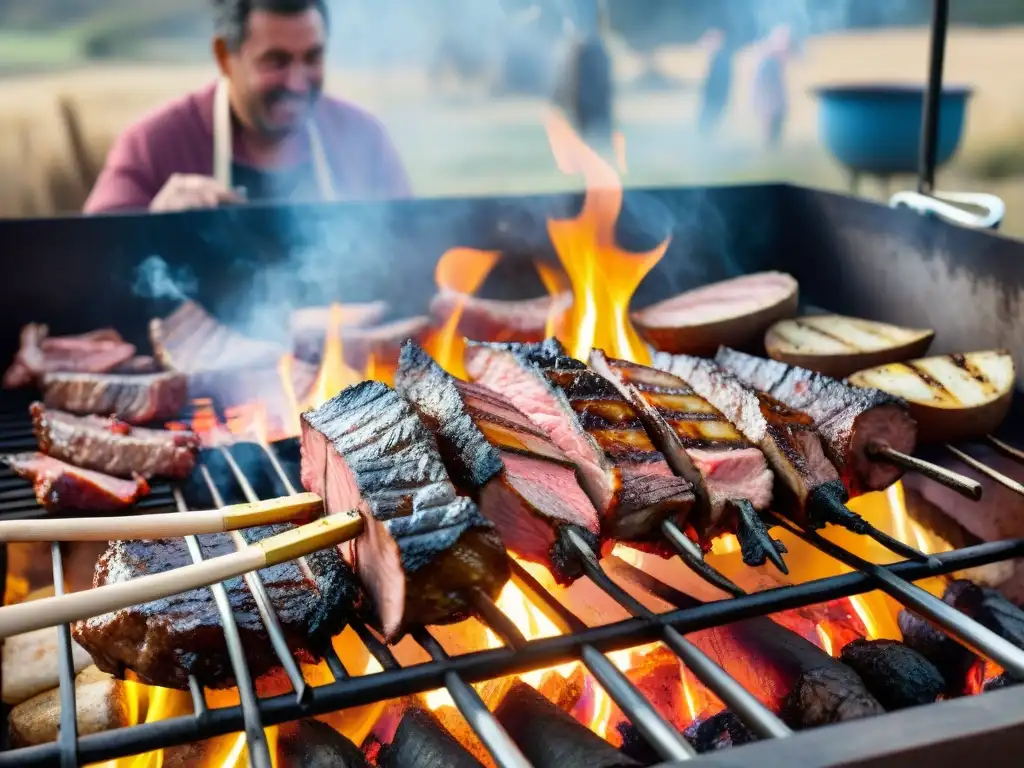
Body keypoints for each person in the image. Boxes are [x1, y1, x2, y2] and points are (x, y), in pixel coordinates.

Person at [84, 0, 411, 214]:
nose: (297, 84)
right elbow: (88, 263)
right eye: (276, 61)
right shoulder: (153, 144)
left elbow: (413, 254)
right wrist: (152, 225)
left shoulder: (364, 139)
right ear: (224, 56)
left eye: (312, 58)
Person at [750, 24, 795, 149]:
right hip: (770, 107)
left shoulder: (776, 60)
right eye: (783, 41)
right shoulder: (768, 61)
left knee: (775, 138)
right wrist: (766, 107)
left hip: (777, 106)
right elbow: (761, 85)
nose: (786, 45)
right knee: (770, 139)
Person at [696, 28, 735, 139]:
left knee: (706, 128)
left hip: (714, 101)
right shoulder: (718, 58)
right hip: (714, 101)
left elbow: (719, 84)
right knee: (706, 129)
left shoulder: (720, 60)